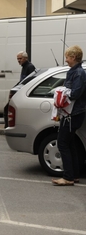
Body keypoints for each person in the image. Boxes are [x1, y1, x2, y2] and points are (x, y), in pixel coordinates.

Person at [52, 45, 86, 186]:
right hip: (73, 113)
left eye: (67, 57)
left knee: (63, 143)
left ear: (73, 57)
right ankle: (74, 175)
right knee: (70, 143)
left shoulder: (78, 73)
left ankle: (68, 177)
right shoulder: (75, 71)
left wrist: (62, 93)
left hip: (73, 114)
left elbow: (75, 93)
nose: (66, 60)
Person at [4, 51, 36, 128]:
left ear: (25, 58)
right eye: (17, 59)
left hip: (24, 92)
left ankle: (8, 126)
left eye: (20, 58)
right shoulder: (24, 67)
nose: (18, 60)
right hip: (20, 90)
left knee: (8, 109)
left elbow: (29, 81)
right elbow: (22, 81)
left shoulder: (29, 67)